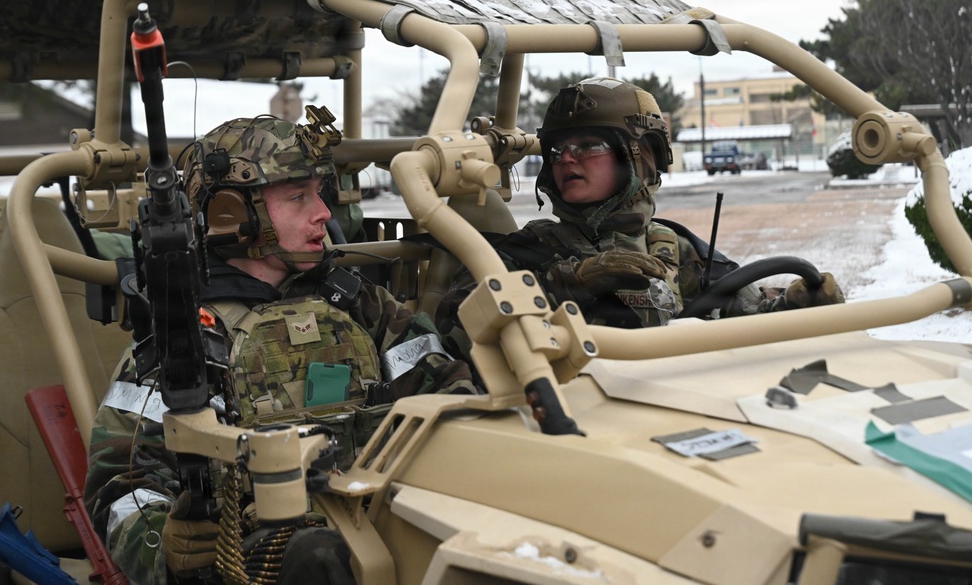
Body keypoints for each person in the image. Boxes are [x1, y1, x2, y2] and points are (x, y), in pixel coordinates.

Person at [84, 111, 476, 585]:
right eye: (298, 197)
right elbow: (119, 483)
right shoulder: (184, 338)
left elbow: (454, 399)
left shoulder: (363, 307)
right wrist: (163, 544)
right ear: (232, 215)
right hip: (256, 562)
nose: (323, 213)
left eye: (319, 193)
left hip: (382, 525)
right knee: (319, 557)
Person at [436, 77, 843, 338]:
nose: (567, 159)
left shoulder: (675, 247)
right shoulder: (520, 253)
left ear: (640, 157)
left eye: (589, 146)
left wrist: (796, 306)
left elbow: (747, 319)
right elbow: (455, 323)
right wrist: (567, 283)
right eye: (558, 150)